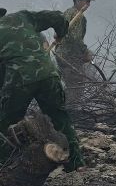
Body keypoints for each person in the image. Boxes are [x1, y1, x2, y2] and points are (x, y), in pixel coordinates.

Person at [0, 9, 85, 172]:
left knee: (5, 124)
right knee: (60, 119)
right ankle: (76, 164)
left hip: (19, 80)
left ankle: (5, 165)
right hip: (49, 75)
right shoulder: (23, 17)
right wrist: (61, 34)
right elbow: (58, 17)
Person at [56, 0, 93, 103]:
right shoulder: (76, 14)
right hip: (69, 55)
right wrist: (85, 51)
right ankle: (70, 110)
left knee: (70, 84)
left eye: (89, 1)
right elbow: (74, 38)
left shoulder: (68, 12)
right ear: (77, 1)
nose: (88, 4)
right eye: (85, 1)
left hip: (62, 54)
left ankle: (65, 108)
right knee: (76, 85)